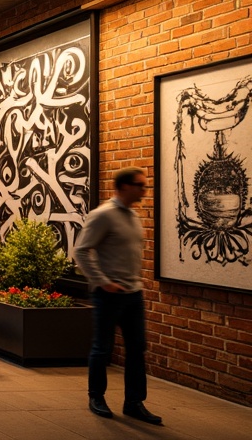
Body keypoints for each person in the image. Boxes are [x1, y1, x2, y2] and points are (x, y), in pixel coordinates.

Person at [76, 167, 162, 425]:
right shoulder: (103, 215)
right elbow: (81, 251)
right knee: (102, 348)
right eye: (140, 186)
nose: (144, 191)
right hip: (109, 294)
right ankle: (96, 397)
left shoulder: (134, 216)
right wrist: (103, 282)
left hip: (134, 294)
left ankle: (134, 403)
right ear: (124, 186)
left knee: (137, 349)